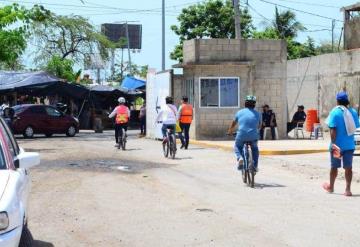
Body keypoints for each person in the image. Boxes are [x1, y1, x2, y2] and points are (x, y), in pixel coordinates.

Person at [323, 92, 360, 197]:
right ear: (347, 100)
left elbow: (333, 131)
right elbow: (356, 126)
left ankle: (331, 187)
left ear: (337, 101)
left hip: (337, 146)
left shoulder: (335, 112)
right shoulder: (352, 112)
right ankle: (348, 190)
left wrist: (333, 144)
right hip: (349, 145)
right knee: (348, 168)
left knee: (334, 167)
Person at [227, 95, 261, 172]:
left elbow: (233, 123)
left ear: (245, 103)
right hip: (253, 136)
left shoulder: (239, 112)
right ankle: (254, 166)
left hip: (241, 135)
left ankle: (240, 158)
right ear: (254, 105)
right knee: (255, 149)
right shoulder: (258, 114)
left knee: (237, 146)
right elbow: (259, 125)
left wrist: (230, 131)